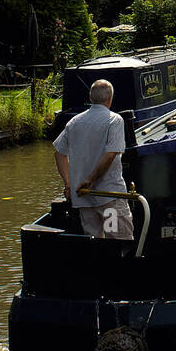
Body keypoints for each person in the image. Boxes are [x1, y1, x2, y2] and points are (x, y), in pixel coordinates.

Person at [51, 78, 134, 240]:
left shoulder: (74, 122)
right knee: (116, 242)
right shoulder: (114, 120)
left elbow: (59, 153)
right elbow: (110, 154)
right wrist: (91, 179)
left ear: (90, 98)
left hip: (83, 199)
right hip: (108, 197)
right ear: (110, 99)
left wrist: (69, 183)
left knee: (94, 244)